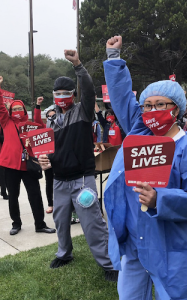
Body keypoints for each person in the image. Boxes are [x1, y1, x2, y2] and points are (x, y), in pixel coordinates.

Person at [103, 36, 187, 300]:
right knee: (130, 294)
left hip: (172, 243)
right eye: (147, 106)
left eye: (160, 105)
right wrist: (113, 58)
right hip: (136, 239)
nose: (152, 111)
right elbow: (121, 100)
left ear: (176, 109)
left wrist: (159, 199)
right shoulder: (141, 133)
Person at [38, 50, 117, 281]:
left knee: (92, 223)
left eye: (66, 93)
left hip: (82, 178)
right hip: (59, 180)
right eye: (57, 93)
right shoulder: (52, 121)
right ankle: (64, 253)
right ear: (53, 96)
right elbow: (50, 151)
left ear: (73, 94)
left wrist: (78, 66)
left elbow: (90, 90)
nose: (62, 96)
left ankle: (109, 264)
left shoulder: (82, 111)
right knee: (60, 221)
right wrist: (45, 160)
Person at [0, 93, 56, 235]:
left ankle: (40, 224)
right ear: (10, 111)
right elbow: (1, 108)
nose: (17, 111)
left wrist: (37, 107)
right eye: (15, 109)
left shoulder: (30, 125)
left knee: (35, 195)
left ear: (25, 111)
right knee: (13, 196)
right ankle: (16, 224)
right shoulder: (6, 122)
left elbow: (40, 126)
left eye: (20, 108)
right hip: (11, 165)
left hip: (28, 165)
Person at [34, 97, 55, 214]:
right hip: (48, 159)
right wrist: (38, 105)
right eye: (49, 116)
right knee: (49, 181)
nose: (51, 117)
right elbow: (37, 120)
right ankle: (51, 204)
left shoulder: (62, 126)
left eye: (53, 115)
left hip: (61, 159)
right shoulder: (44, 128)